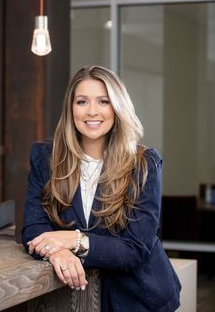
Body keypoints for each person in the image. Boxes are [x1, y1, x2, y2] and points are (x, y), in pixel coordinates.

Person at [22, 65, 181, 312]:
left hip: (138, 297)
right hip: (75, 298)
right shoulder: (45, 158)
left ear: (117, 108)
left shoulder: (144, 163)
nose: (92, 111)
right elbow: (34, 226)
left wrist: (74, 240)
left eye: (103, 101)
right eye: (82, 101)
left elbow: (135, 249)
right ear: (70, 108)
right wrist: (57, 253)